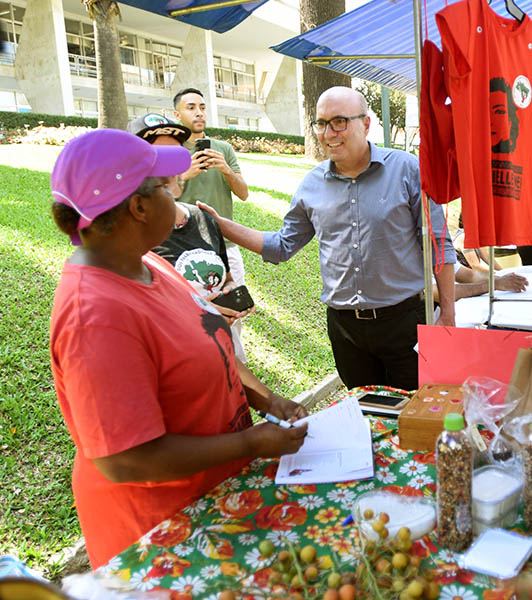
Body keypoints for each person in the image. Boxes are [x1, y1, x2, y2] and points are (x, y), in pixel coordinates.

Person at [48, 129, 308, 568]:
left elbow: (208, 333)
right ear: (139, 206)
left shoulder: (147, 263)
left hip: (212, 502)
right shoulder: (95, 316)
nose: (178, 195)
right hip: (158, 536)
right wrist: (248, 444)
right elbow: (125, 460)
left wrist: (269, 398)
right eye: (167, 187)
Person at [199, 86, 456, 391]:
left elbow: (439, 245)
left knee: (415, 413)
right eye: (321, 123)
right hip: (346, 330)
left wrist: (448, 315)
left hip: (404, 323)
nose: (328, 133)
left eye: (339, 121)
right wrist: (221, 225)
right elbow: (282, 246)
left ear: (366, 124)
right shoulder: (312, 185)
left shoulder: (407, 170)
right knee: (365, 415)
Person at [127, 112, 250, 361]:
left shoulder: (202, 217)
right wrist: (203, 311)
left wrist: (230, 291)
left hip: (224, 359)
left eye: (176, 156)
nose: (169, 169)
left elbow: (225, 277)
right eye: (157, 157)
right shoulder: (125, 236)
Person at [173, 87, 250, 358]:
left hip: (226, 246)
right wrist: (187, 174)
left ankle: (237, 371)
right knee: (193, 316)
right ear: (177, 114)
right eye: (191, 107)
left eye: (202, 107)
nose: (199, 113)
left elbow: (243, 193)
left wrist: (226, 170)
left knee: (234, 312)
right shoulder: (172, 152)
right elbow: (162, 196)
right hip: (186, 252)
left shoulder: (224, 149)